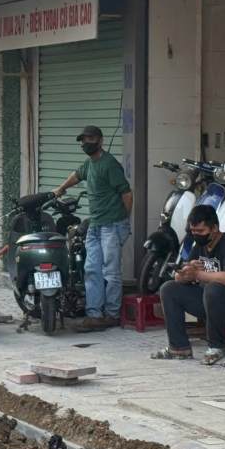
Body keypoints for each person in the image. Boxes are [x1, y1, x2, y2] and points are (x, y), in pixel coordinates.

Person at [151, 205, 225, 364]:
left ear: (214, 228)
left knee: (213, 288)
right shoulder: (199, 246)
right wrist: (186, 272)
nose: (197, 236)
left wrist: (199, 274)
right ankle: (179, 348)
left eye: (201, 232)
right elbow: (178, 277)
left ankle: (218, 346)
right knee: (169, 289)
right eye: (193, 232)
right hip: (212, 303)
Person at [53, 125, 133, 332]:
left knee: (111, 271)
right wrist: (61, 188)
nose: (84, 143)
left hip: (112, 225)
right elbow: (77, 175)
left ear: (99, 140)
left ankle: (112, 314)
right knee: (91, 269)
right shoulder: (90, 164)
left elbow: (127, 193)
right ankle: (94, 315)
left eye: (88, 139)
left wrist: (123, 220)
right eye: (82, 140)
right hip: (95, 225)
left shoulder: (109, 164)